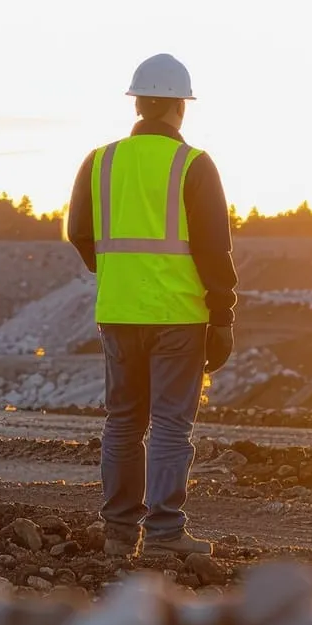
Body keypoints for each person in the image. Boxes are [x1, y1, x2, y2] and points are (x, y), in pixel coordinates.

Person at [66, 53, 237, 558]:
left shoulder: (101, 160)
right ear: (180, 109)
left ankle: (119, 532)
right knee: (169, 424)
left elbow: (79, 232)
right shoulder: (194, 164)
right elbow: (214, 250)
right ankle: (165, 535)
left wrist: (116, 273)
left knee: (123, 421)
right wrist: (223, 315)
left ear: (138, 104)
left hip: (118, 313)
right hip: (179, 316)